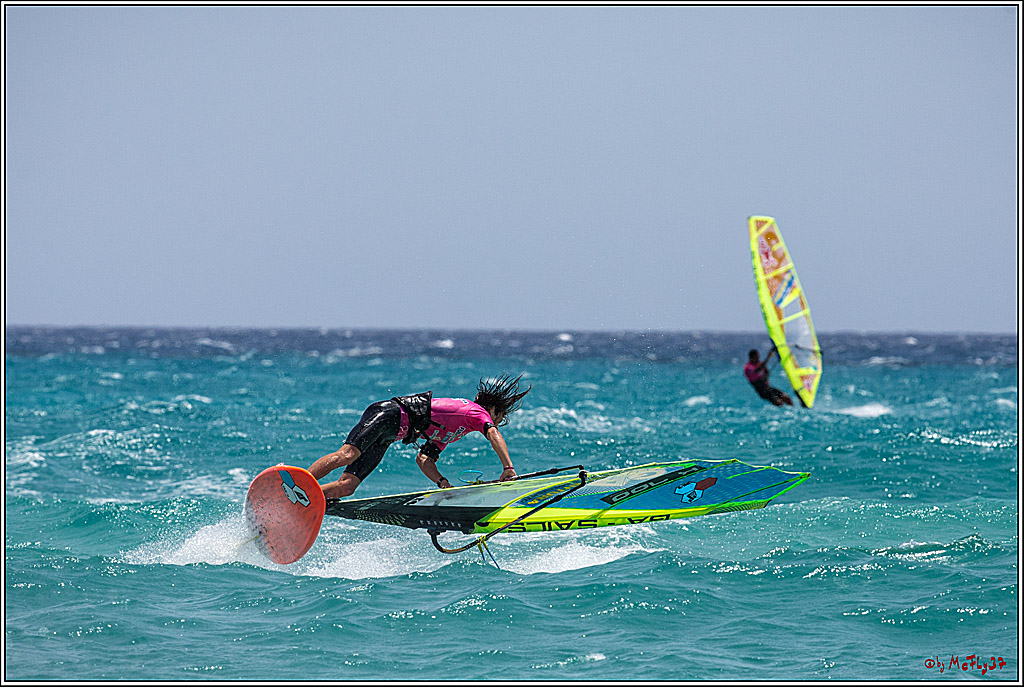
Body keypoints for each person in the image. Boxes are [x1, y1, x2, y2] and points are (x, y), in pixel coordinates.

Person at [309, 374, 532, 498]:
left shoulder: (456, 429)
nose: (498, 421)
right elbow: (493, 433)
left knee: (346, 487)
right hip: (389, 414)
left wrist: (442, 483)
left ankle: (305, 499)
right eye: (500, 416)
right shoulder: (476, 411)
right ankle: (297, 484)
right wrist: (508, 468)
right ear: (492, 409)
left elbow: (424, 459)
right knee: (347, 455)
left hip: (388, 436)